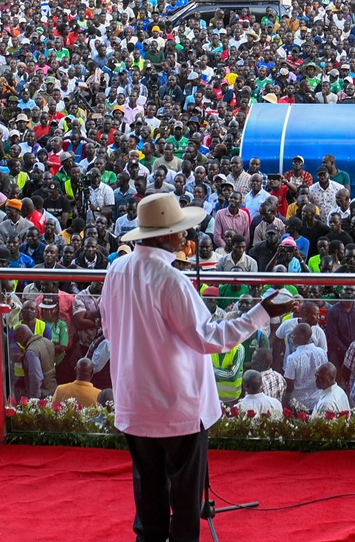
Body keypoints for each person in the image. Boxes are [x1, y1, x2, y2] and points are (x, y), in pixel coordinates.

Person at [102, 192, 298, 542]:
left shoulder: (117, 269)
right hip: (178, 408)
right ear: (164, 236)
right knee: (185, 497)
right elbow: (210, 338)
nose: (187, 236)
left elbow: (109, 326)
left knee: (148, 495)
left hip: (134, 403)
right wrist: (263, 313)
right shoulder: (171, 280)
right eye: (180, 230)